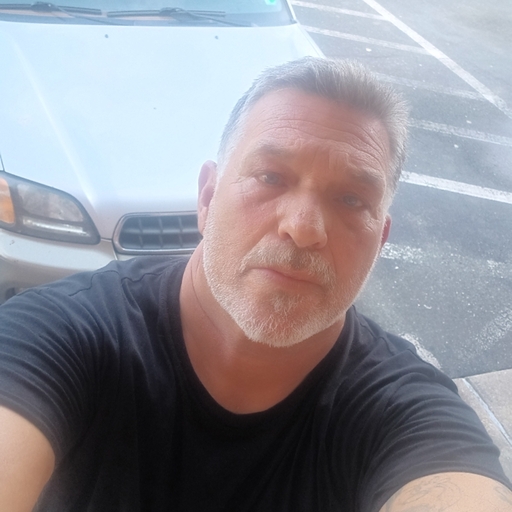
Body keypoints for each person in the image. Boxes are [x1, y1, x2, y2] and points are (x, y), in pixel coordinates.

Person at [0, 57, 511, 512]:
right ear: (207, 198)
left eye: (352, 200)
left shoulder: (408, 414)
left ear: (379, 241)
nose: (304, 228)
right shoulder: (62, 336)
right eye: (271, 176)